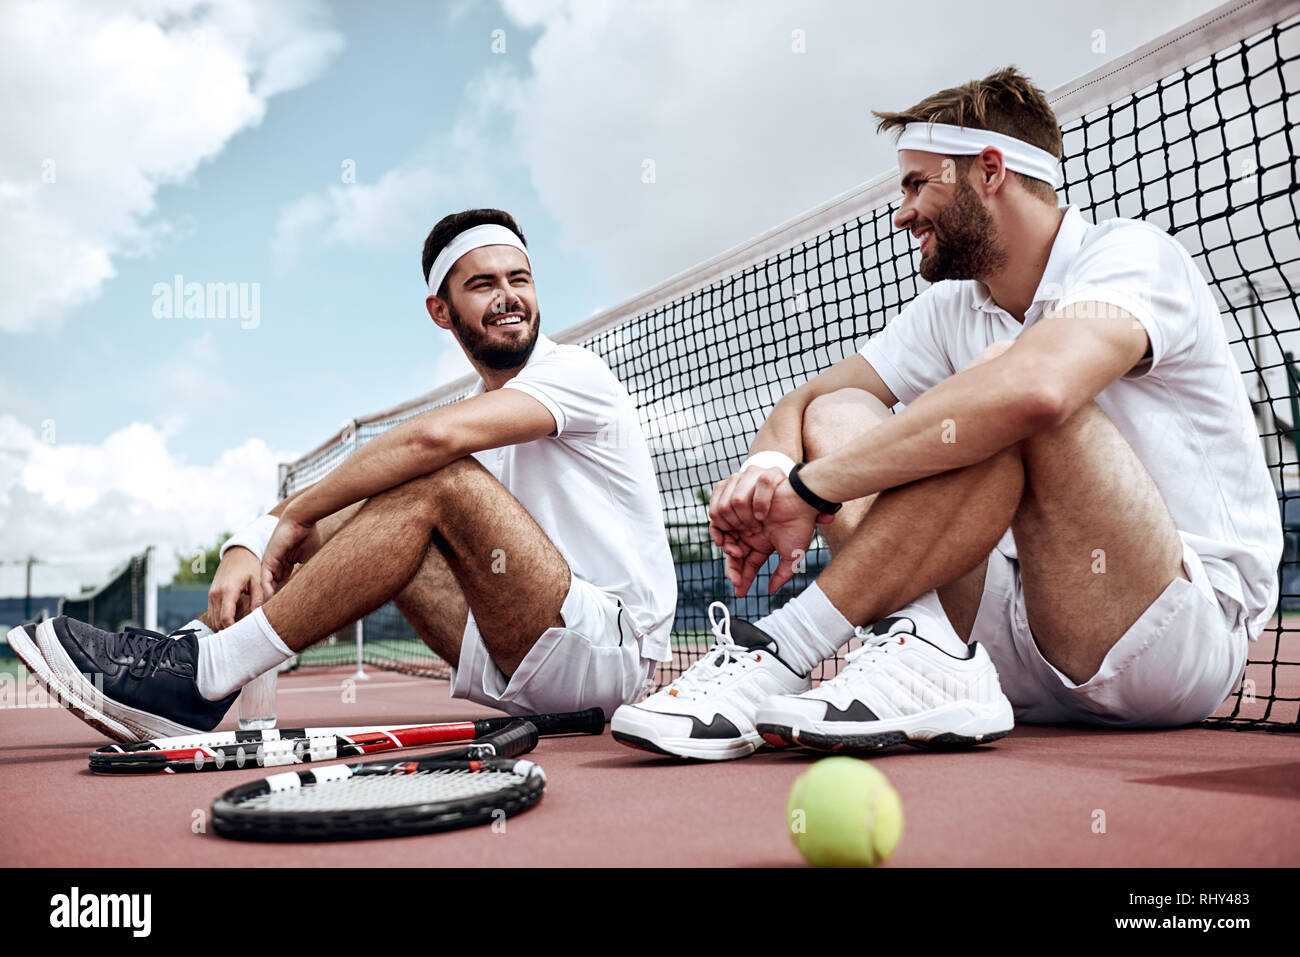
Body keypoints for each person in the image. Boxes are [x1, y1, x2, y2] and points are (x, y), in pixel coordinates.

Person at [610, 67, 1281, 760]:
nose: (902, 213)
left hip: (1158, 633)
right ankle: (925, 646)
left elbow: (1038, 390)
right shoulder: (953, 309)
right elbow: (808, 400)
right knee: (845, 408)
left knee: (1009, 390)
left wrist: (813, 490)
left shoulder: (1134, 257)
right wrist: (769, 469)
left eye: (916, 184)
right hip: (1001, 649)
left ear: (988, 170)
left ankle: (783, 646)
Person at [11, 209, 677, 741]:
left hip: (611, 653)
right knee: (398, 485)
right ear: (440, 311)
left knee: (431, 473)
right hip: (519, 664)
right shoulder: (480, 411)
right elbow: (376, 485)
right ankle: (192, 652)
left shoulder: (576, 375)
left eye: (520, 279)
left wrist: (288, 513)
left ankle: (201, 677)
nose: (509, 297)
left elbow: (430, 440)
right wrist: (256, 537)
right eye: (483, 284)